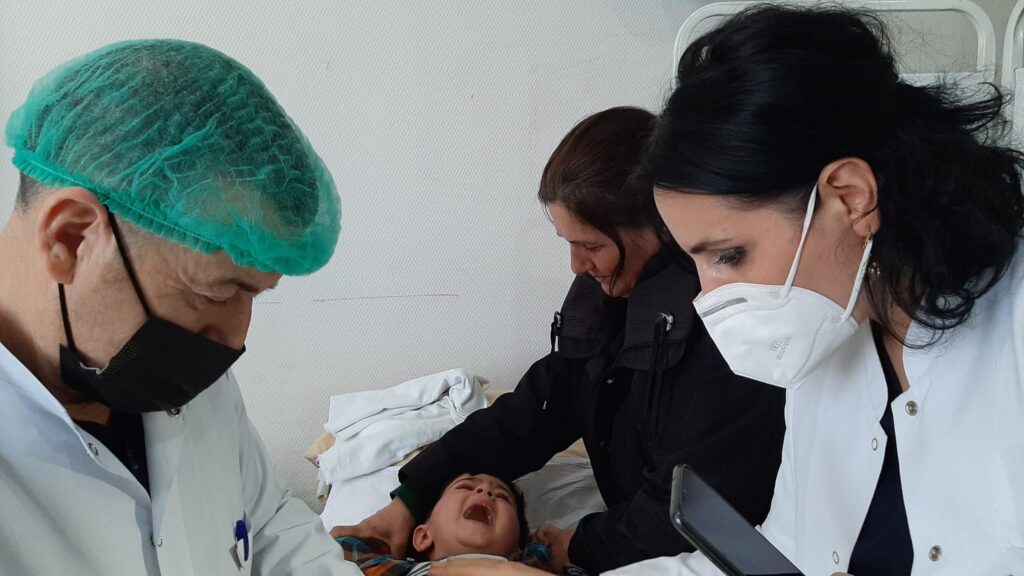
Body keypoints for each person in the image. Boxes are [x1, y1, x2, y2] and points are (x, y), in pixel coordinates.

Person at [607, 5, 1024, 576]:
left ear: (850, 197)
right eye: (696, 263)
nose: (710, 300)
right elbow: (784, 555)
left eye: (730, 255)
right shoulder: (828, 348)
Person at [333, 107, 787, 574]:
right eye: (567, 241)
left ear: (660, 227)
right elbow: (532, 413)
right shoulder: (608, 302)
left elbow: (690, 511)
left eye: (591, 246)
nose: (576, 265)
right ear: (422, 538)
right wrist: (411, 497)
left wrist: (580, 546)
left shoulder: (723, 339)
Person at [0, 40, 359, 575]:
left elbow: (267, 527)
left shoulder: (171, 375)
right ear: (71, 238)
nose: (234, 337)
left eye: (254, 294)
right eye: (215, 293)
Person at [337, 473, 585, 575]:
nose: (485, 491)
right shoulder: (398, 570)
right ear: (423, 536)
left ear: (517, 551)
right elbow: (342, 552)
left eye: (502, 497)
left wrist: (549, 548)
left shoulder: (532, 566)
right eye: (465, 486)